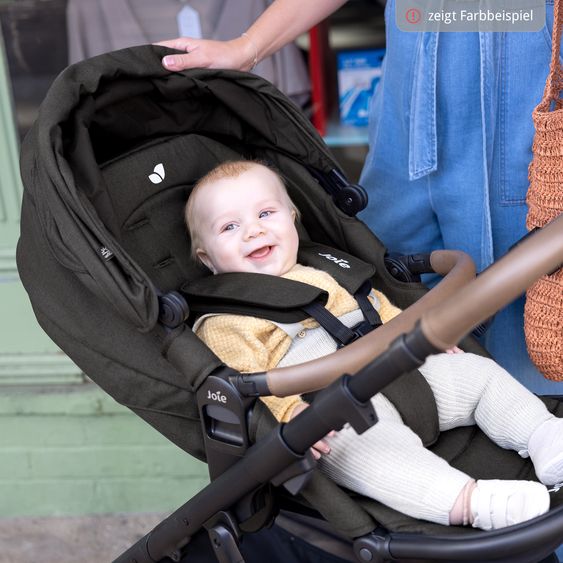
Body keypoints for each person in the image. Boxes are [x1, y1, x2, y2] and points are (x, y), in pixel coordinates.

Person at [157, 0, 563, 398]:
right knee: (384, 273)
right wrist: (249, 46)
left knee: (534, 299)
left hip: (523, 56)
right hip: (413, 77)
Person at [186, 159, 563, 531]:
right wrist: (287, 413)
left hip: (403, 367)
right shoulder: (224, 321)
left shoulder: (326, 268)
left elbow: (379, 307)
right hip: (333, 406)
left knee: (478, 375)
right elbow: (242, 383)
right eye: (230, 226)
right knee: (366, 452)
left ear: (293, 217)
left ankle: (542, 434)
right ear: (207, 259)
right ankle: (469, 501)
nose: (252, 231)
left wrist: (423, 338)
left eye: (266, 213)